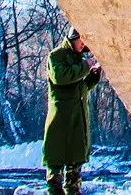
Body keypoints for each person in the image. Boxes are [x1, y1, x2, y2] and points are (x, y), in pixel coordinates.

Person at [42, 28, 101, 195]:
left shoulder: (79, 58)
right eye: (81, 40)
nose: (83, 44)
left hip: (77, 116)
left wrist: (93, 75)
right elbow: (61, 77)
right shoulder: (56, 56)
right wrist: (85, 66)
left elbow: (80, 88)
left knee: (74, 168)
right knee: (55, 164)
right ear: (73, 38)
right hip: (60, 117)